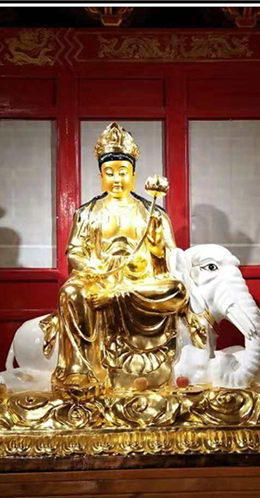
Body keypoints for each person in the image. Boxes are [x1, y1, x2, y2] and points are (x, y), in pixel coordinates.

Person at [42, 122, 195, 396]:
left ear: (133, 175)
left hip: (140, 283)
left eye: (123, 172)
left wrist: (157, 248)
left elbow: (172, 260)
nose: (116, 179)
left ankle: (115, 298)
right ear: (100, 176)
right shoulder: (87, 213)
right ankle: (80, 370)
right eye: (109, 173)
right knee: (71, 292)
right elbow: (74, 252)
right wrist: (92, 269)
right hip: (98, 280)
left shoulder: (153, 213)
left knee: (176, 290)